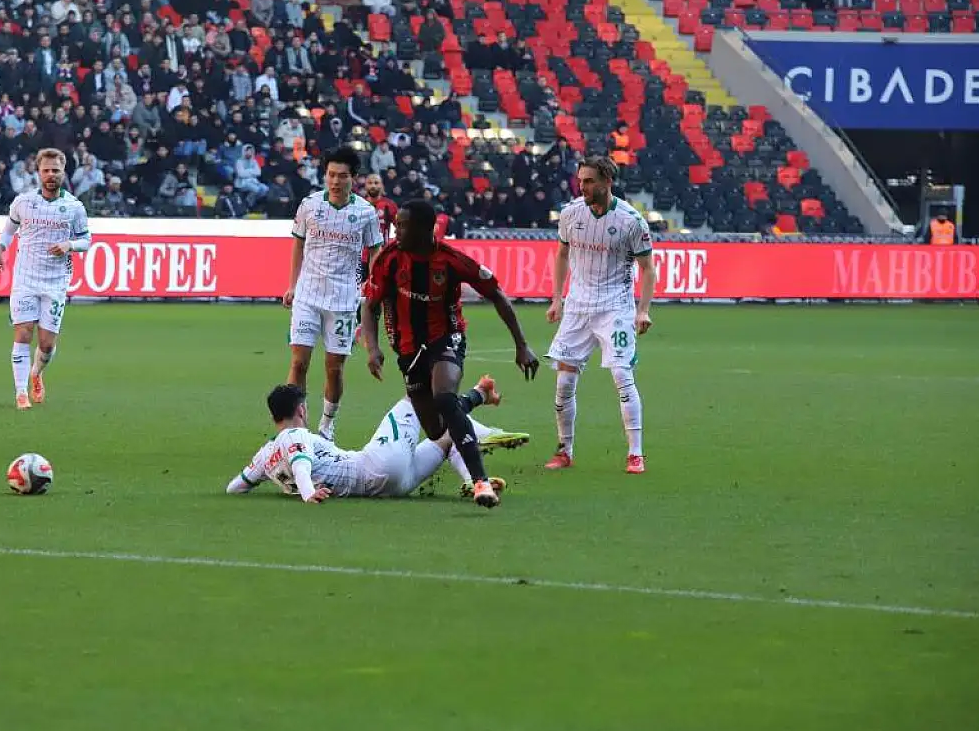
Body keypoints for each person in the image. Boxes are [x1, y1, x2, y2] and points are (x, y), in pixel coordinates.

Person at [360, 199, 540, 510]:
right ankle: (476, 397)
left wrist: (521, 344)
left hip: (446, 339)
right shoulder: (389, 258)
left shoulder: (451, 260)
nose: (396, 229)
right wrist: (373, 348)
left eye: (403, 225)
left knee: (443, 397)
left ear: (424, 229)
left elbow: (496, 294)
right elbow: (370, 305)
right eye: (397, 224)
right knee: (436, 429)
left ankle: (480, 483)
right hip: (408, 349)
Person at [226, 379, 530, 503]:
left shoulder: (266, 456)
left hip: (394, 487)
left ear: (273, 417)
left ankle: (473, 481)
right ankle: (484, 426)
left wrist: (281, 487)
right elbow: (301, 465)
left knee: (446, 436)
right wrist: (307, 493)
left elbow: (236, 487)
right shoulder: (297, 435)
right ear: (301, 410)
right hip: (378, 464)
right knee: (417, 397)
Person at [544, 156, 657, 474]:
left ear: (608, 181)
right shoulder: (570, 214)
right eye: (581, 180)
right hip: (578, 307)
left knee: (622, 376)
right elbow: (563, 253)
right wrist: (556, 299)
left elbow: (648, 269)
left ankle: (636, 454)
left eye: (589, 181)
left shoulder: (631, 221)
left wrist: (643, 309)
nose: (583, 186)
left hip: (615, 308)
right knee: (564, 382)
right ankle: (564, 450)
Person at [284, 147, 384, 440]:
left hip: (343, 299)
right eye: (331, 175)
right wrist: (292, 284)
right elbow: (299, 244)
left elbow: (376, 248)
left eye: (342, 176)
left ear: (354, 178)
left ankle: (326, 426)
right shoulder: (309, 205)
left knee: (334, 368)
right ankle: (295, 427)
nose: (335, 181)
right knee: (298, 361)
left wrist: (372, 283)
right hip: (308, 295)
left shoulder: (365, 212)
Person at [0, 148, 91, 409]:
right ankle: (21, 392)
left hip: (56, 282)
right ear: (38, 172)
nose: (50, 175)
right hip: (25, 278)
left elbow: (86, 240)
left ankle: (37, 372)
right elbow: (9, 229)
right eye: (46, 170)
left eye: (55, 170)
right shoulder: (23, 202)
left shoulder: (74, 207)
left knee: (46, 344)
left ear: (63, 172)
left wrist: (69, 245)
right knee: (23, 333)